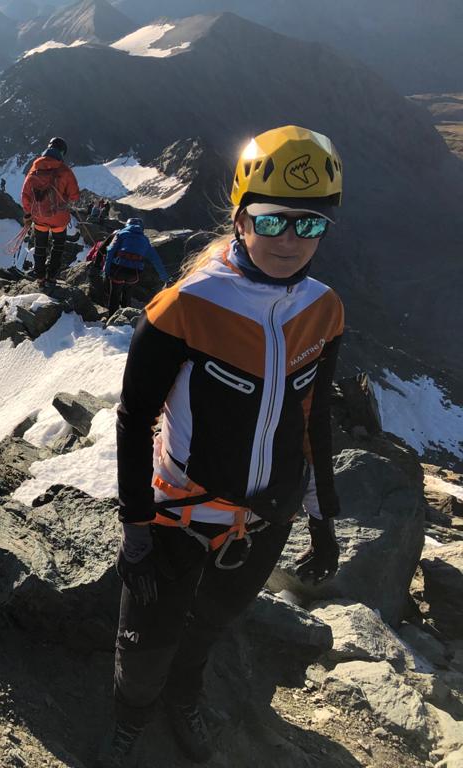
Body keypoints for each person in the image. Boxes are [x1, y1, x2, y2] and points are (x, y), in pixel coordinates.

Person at [102, 126, 345, 765]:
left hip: (265, 519)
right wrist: (134, 525)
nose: (291, 241)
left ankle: (183, 697)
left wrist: (322, 518)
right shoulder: (182, 307)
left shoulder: (324, 310)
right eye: (272, 221)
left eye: (311, 227)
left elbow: (314, 416)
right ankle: (133, 712)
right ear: (240, 218)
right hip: (178, 516)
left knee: (206, 627)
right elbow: (133, 419)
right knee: (147, 637)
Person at [21, 136, 80, 287]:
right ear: (62, 152)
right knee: (58, 246)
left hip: (39, 217)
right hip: (59, 218)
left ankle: (40, 277)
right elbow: (74, 196)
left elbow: (25, 195)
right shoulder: (64, 170)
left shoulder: (34, 168)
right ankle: (52, 277)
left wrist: (28, 214)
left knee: (40, 246)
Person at [102, 218, 169, 314]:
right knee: (127, 296)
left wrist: (106, 271)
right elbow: (156, 260)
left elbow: (110, 251)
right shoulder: (145, 241)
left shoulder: (120, 234)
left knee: (115, 296)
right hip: (134, 273)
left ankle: (112, 319)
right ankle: (126, 316)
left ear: (127, 225)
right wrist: (165, 278)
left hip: (118, 270)